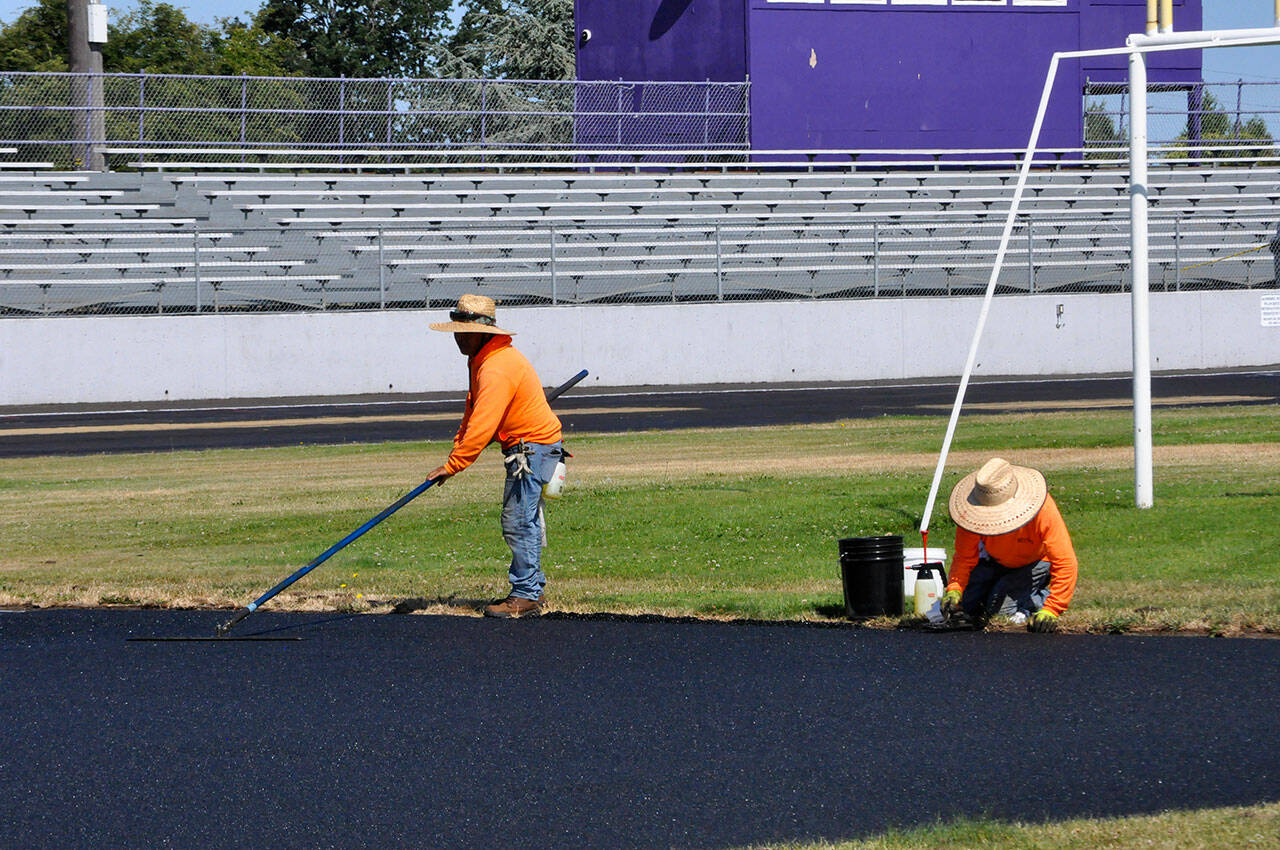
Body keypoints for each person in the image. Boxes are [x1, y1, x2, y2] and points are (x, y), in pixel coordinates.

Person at [426, 294, 564, 619]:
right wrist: (455, 453)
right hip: (531, 446)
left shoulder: (497, 367)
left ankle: (526, 594)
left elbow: (483, 424)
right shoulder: (483, 359)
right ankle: (532, 588)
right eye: (456, 331)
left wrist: (453, 465)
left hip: (532, 449)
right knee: (525, 519)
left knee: (518, 520)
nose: (458, 338)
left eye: (464, 331)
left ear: (482, 333)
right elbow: (472, 413)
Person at [939, 458, 1078, 633]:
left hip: (1036, 561)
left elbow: (1065, 561)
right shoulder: (969, 514)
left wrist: (1053, 608)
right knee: (964, 607)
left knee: (1000, 611)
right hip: (995, 560)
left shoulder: (1043, 509)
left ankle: (1038, 598)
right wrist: (954, 590)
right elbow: (964, 557)